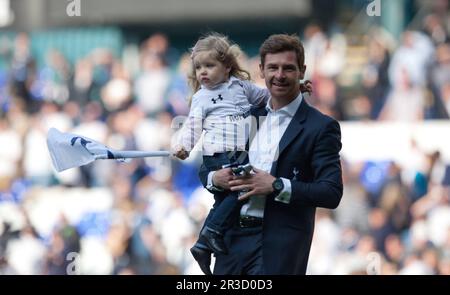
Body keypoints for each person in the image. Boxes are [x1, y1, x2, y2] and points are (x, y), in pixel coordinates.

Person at [196, 34, 343, 275]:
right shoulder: (244, 115)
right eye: (273, 68)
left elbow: (331, 192)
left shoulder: (321, 127)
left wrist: (276, 185)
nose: (280, 75)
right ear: (262, 70)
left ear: (302, 71)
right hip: (231, 243)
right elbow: (207, 166)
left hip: (279, 247)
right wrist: (215, 178)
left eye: (288, 68)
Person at [172, 33, 271, 275]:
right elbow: (193, 126)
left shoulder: (241, 87)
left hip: (240, 153)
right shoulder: (201, 97)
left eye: (209, 66)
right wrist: (183, 146)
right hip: (219, 155)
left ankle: (207, 239)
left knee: (240, 191)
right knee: (241, 189)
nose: (203, 72)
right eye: (198, 68)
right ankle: (209, 234)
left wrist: (297, 87)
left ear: (227, 67)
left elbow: (268, 97)